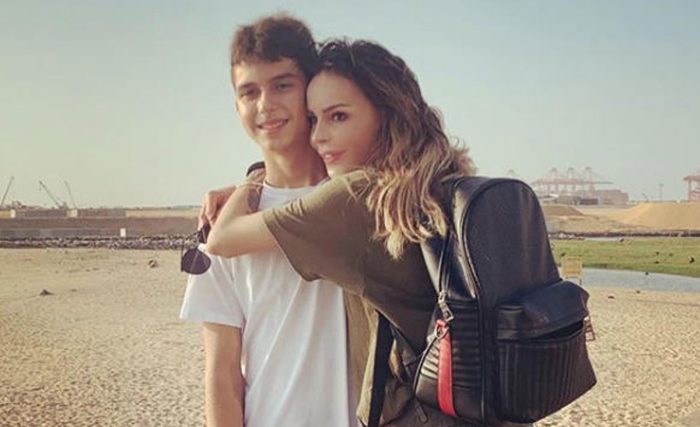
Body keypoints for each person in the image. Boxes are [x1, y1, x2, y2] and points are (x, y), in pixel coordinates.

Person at [206, 39, 528, 427]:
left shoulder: (357, 197)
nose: (318, 136)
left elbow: (222, 240)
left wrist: (254, 179)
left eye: (338, 117)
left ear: (386, 115)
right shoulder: (434, 182)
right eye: (313, 119)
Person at [180, 15, 361, 427]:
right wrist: (251, 185)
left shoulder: (363, 198)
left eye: (282, 85)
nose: (265, 105)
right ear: (236, 105)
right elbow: (222, 375)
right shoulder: (217, 225)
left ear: (310, 89)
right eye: (249, 92)